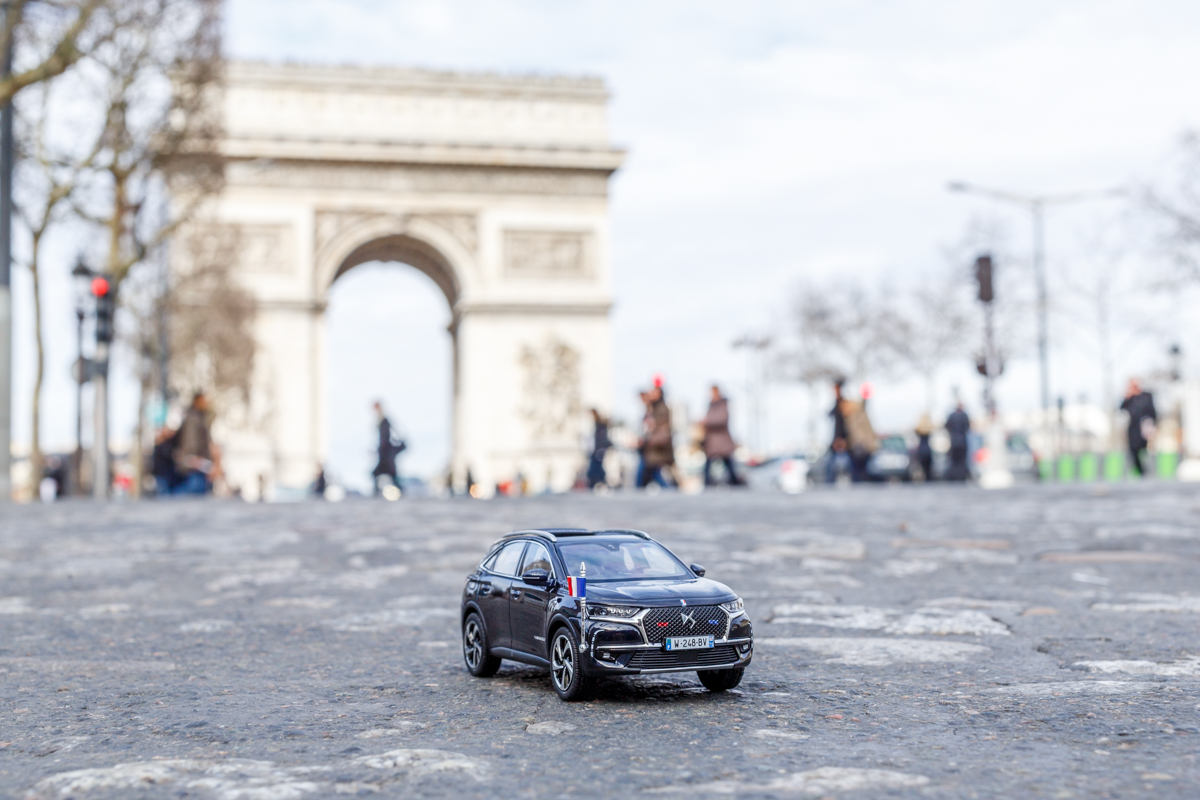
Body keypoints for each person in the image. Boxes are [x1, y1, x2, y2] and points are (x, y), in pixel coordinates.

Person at [174, 392, 215, 495]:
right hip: (196, 461)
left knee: (197, 492)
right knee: (193, 493)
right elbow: (192, 439)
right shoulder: (193, 417)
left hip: (200, 461)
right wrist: (194, 456)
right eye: (203, 400)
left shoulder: (200, 416)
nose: (206, 403)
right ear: (196, 401)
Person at [702, 385, 742, 486]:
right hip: (712, 442)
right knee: (710, 464)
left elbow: (722, 420)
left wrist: (707, 421)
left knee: (728, 464)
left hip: (721, 441)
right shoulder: (711, 405)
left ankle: (735, 482)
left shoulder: (723, 405)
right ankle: (707, 483)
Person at [638, 381, 675, 488]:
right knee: (652, 475)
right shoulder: (652, 408)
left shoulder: (662, 408)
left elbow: (661, 428)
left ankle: (671, 491)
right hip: (651, 449)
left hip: (656, 448)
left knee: (649, 475)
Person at [1120, 379, 1157, 477]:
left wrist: (1151, 425)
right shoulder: (1130, 398)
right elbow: (1122, 409)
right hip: (1133, 429)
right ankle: (1142, 473)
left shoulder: (1146, 396)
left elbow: (1152, 412)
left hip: (1144, 428)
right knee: (1133, 451)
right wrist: (1127, 396)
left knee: (1144, 450)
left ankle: (1150, 472)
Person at [843, 388, 880, 483]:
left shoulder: (856, 416)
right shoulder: (853, 417)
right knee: (859, 471)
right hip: (861, 446)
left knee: (859, 471)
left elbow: (860, 433)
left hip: (861, 446)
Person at [372, 401, 407, 495]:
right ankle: (376, 491)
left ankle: (377, 492)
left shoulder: (385, 421)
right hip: (384, 452)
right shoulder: (380, 420)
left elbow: (388, 436)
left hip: (386, 453)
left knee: (387, 474)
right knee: (388, 474)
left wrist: (385, 447)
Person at [825, 380, 851, 483]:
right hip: (838, 439)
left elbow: (843, 424)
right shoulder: (837, 403)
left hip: (841, 440)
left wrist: (841, 438)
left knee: (834, 467)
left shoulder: (843, 404)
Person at [945, 402, 971, 482]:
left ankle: (954, 476)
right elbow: (967, 427)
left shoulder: (952, 416)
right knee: (962, 460)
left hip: (954, 441)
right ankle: (961, 476)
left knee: (954, 460)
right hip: (962, 441)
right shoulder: (964, 415)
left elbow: (947, 426)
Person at [151, 426, 181, 496]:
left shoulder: (168, 444)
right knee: (164, 496)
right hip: (162, 476)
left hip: (165, 476)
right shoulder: (162, 446)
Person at [587, 409, 612, 489]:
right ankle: (601, 482)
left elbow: (601, 439)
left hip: (598, 450)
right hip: (597, 450)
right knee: (597, 468)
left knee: (594, 468)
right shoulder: (598, 425)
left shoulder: (600, 426)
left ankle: (597, 483)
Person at [914, 414, 934, 481]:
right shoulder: (929, 427)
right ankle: (928, 478)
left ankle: (924, 478)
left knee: (922, 467)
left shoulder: (919, 427)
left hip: (921, 449)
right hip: (927, 449)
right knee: (928, 467)